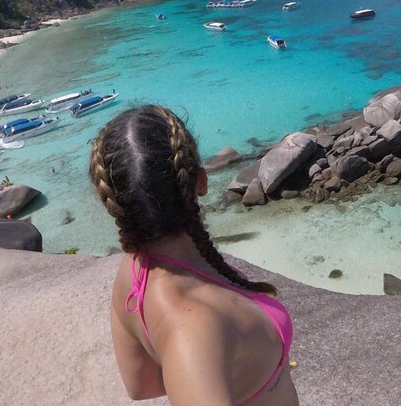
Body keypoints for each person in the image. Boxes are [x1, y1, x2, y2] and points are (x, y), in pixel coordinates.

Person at [90, 105, 298, 405]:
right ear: (201, 182)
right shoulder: (195, 326)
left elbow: (141, 385)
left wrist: (205, 373)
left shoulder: (133, 275)